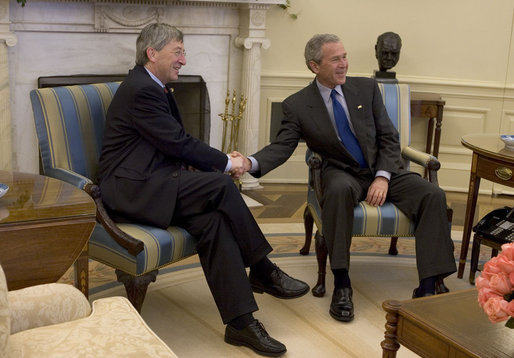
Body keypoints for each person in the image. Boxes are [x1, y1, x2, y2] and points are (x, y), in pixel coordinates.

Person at [97, 22, 309, 357]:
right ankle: (264, 270)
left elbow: (172, 145)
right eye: (177, 51)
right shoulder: (141, 89)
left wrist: (216, 163)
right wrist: (228, 162)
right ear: (152, 53)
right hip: (130, 190)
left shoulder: (156, 87)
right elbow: (178, 142)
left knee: (214, 223)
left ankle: (240, 323)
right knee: (222, 185)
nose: (184, 59)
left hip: (155, 182)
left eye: (184, 51)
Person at [236, 33, 457, 323]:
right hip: (341, 172)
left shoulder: (366, 88)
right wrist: (249, 162)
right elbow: (281, 147)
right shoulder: (298, 105)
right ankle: (342, 283)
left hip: (382, 169)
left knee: (433, 195)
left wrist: (382, 177)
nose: (344, 64)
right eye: (335, 59)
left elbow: (390, 137)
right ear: (315, 66)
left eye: (345, 57)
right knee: (338, 191)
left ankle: (428, 287)